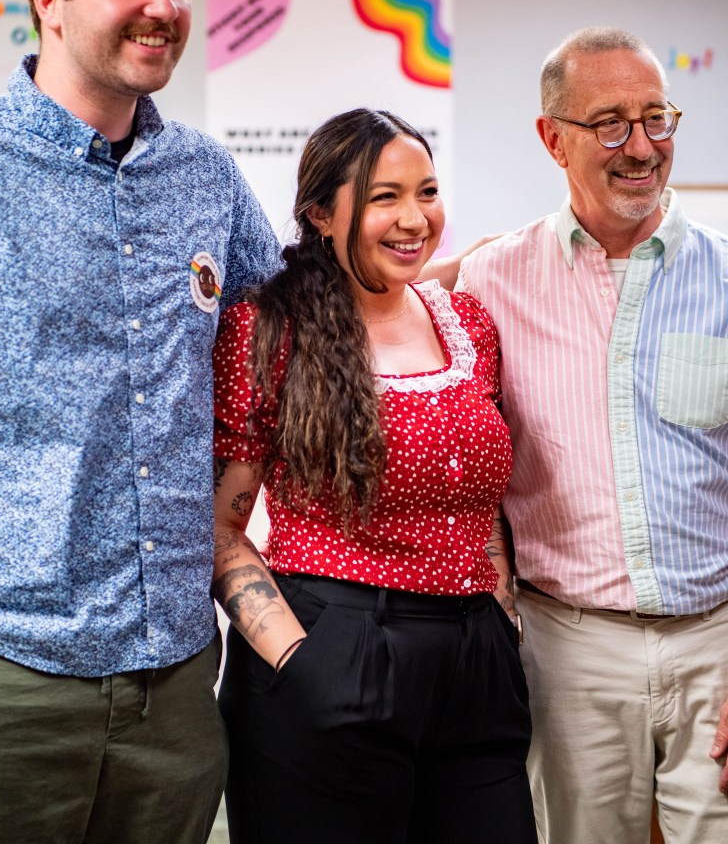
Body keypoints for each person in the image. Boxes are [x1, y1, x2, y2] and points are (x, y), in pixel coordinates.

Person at [0, 0, 280, 843]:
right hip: (3, 672)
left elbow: (288, 341)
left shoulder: (207, 177)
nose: (164, 6)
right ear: (48, 0)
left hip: (176, 675)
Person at [210, 107, 537, 844]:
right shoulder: (268, 333)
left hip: (476, 663)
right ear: (322, 214)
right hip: (334, 651)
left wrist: (503, 614)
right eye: (385, 196)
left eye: (426, 191)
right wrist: (300, 662)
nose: (414, 217)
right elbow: (221, 530)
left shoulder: (468, 326)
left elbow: (479, 501)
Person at [453, 27, 728, 844]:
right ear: (553, 138)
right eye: (610, 122)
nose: (641, 146)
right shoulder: (491, 279)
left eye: (657, 119)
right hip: (568, 648)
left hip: (717, 637)